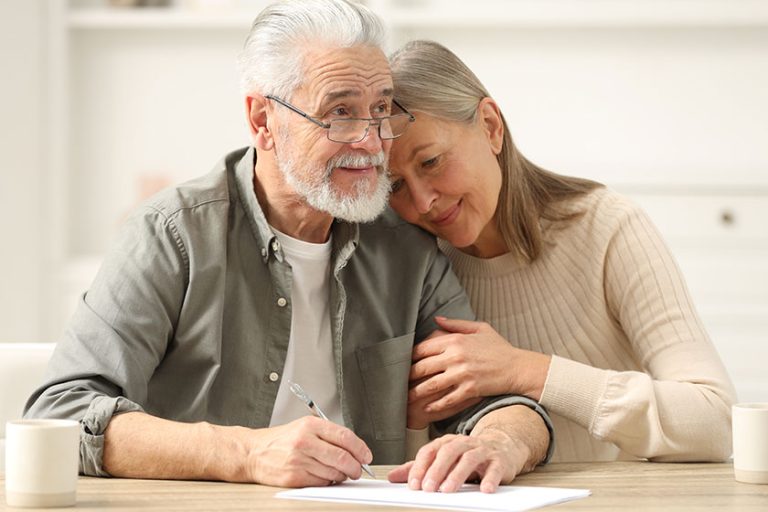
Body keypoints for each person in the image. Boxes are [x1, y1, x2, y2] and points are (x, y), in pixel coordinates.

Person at [24, 1, 552, 493]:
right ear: (262, 120)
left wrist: (497, 442)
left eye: (382, 108)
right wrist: (245, 453)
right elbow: (62, 414)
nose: (371, 142)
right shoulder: (172, 235)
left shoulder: (407, 249)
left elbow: (501, 404)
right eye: (340, 112)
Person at [386, 40, 737, 463]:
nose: (422, 202)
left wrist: (525, 370)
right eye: (395, 185)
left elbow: (716, 423)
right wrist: (415, 423)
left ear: (490, 126)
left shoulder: (607, 228)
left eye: (431, 162)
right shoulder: (417, 271)